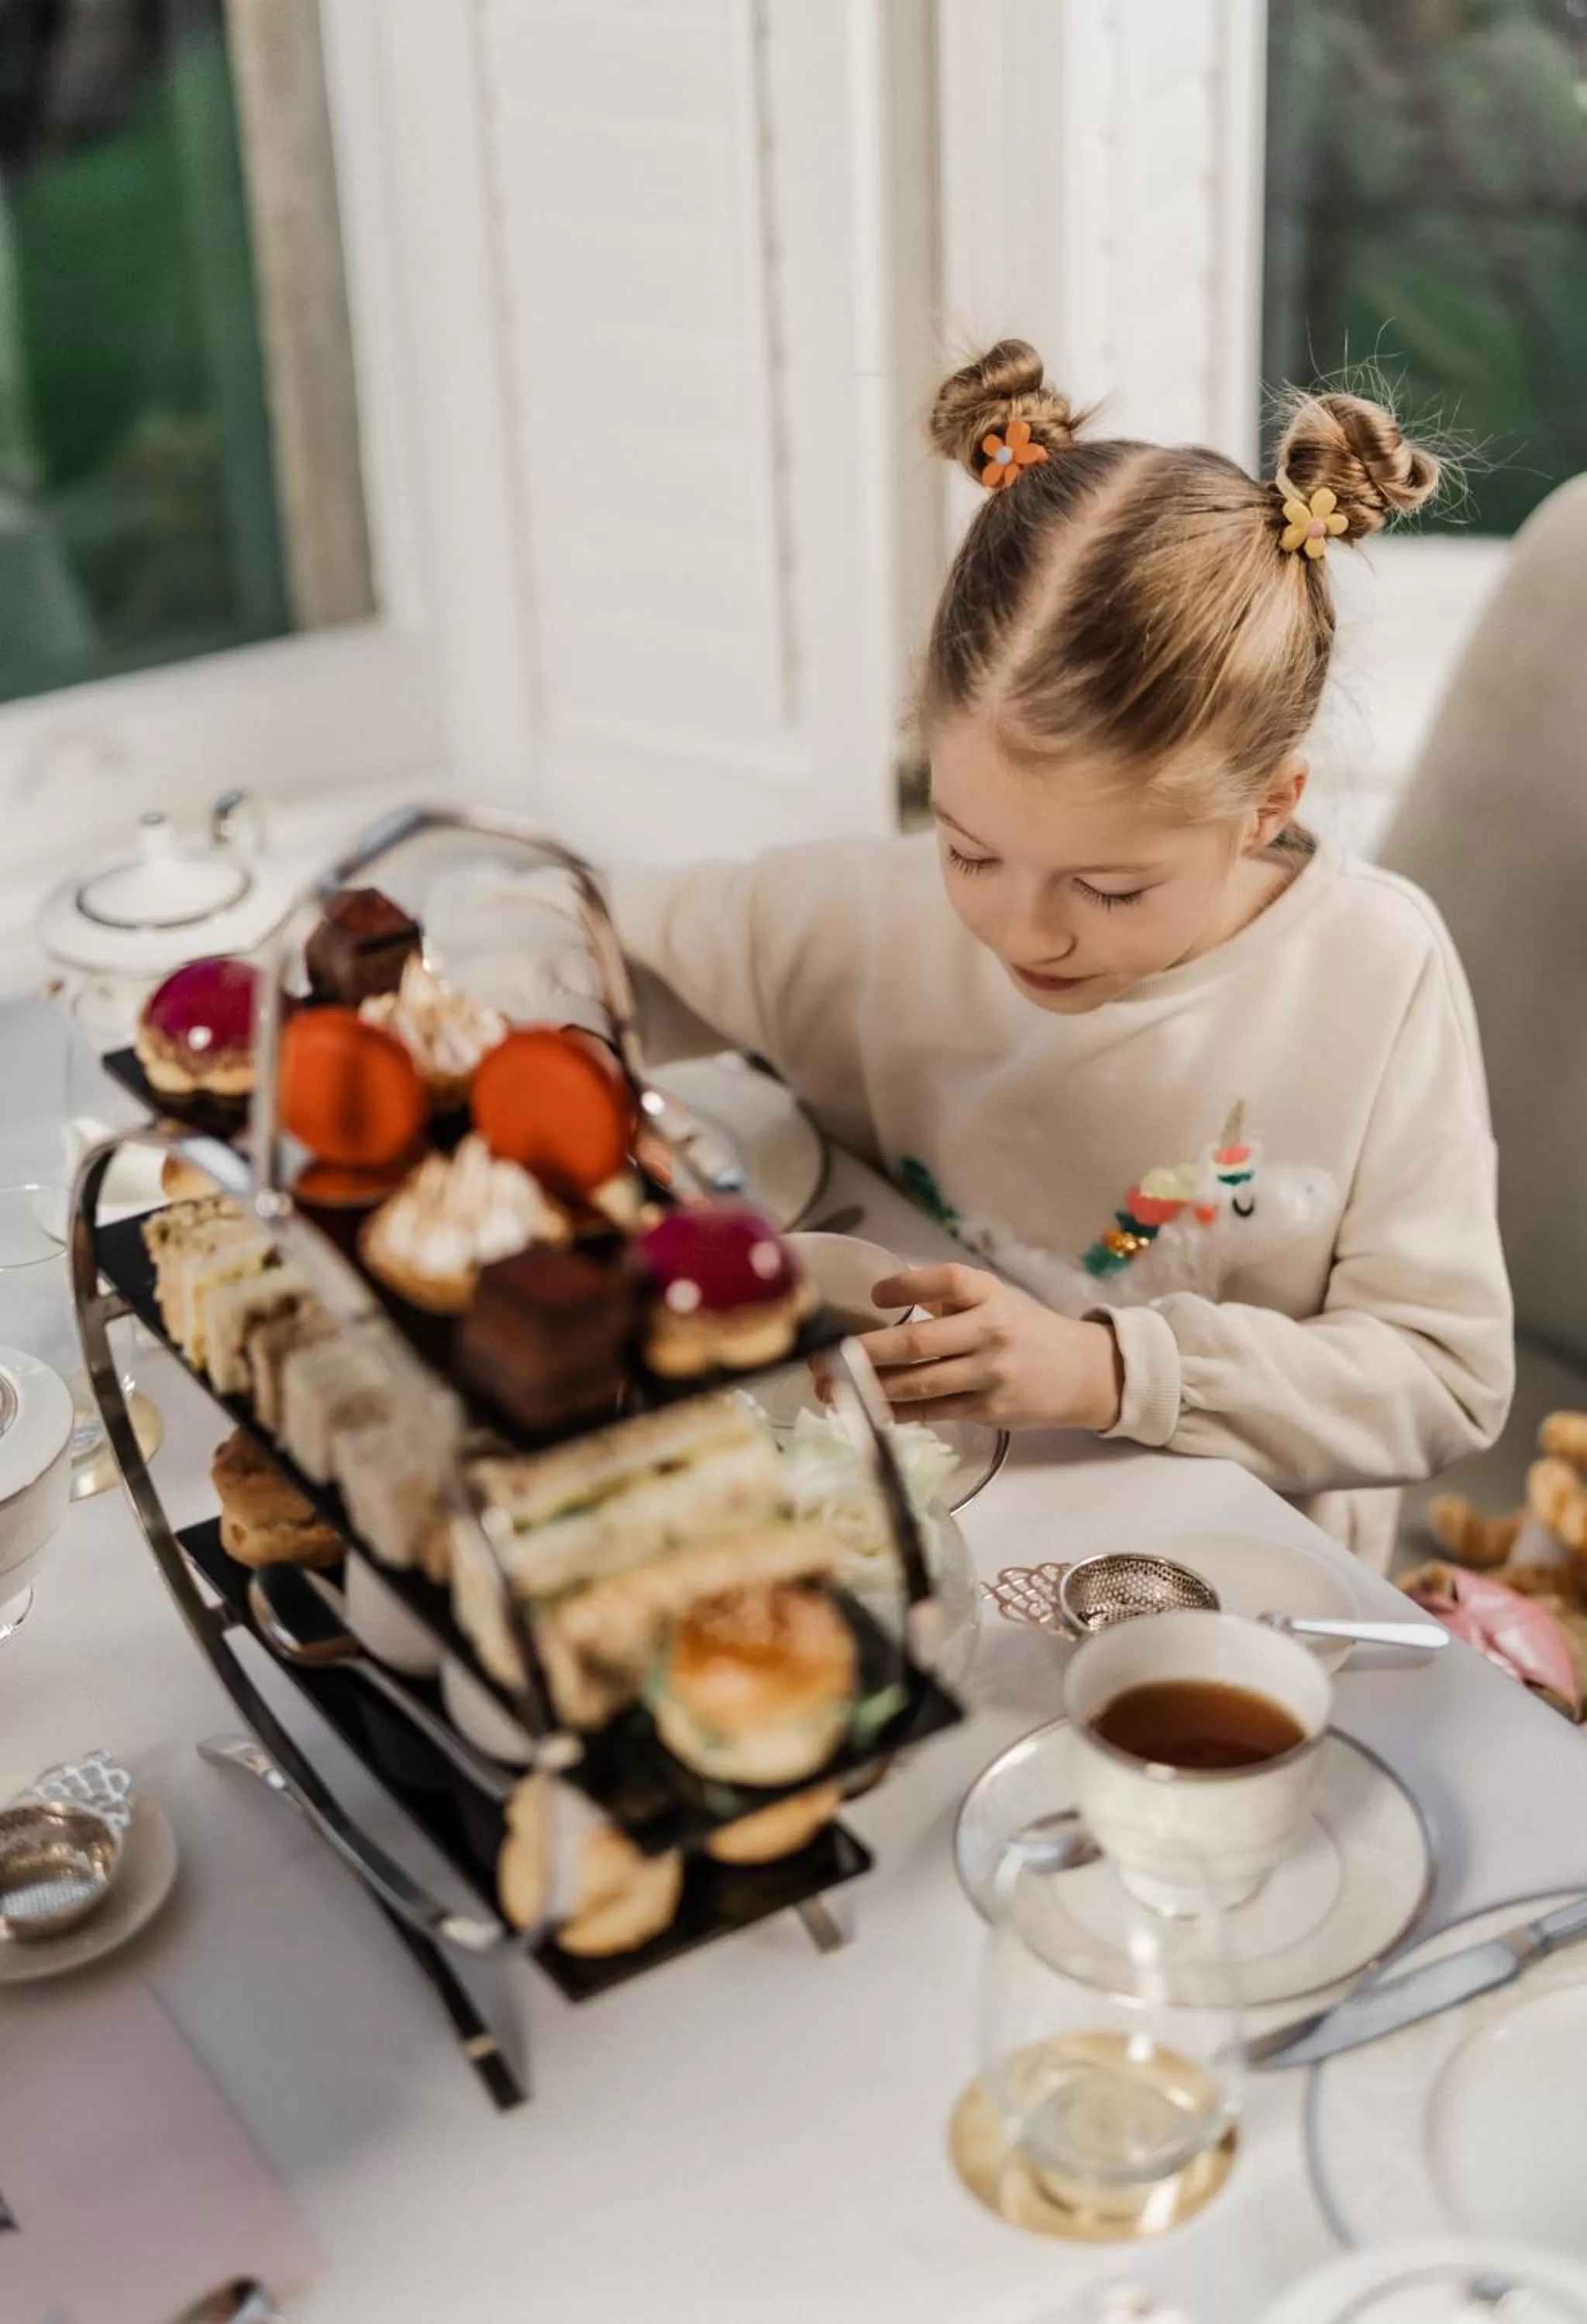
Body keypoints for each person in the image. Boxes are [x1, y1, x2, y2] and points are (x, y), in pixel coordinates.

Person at [609, 340, 1513, 1568]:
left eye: (1109, 885)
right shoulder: (869, 916)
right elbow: (555, 924)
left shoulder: (1374, 973)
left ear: (1267, 803)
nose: (1022, 932)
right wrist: (559, 1053)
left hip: (1224, 1589)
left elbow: (1446, 1378)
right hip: (901, 1533)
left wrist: (1106, 1369)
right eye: (971, 850)